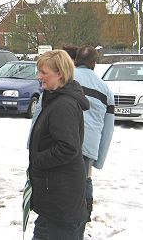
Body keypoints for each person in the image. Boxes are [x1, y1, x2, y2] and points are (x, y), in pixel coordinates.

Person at [28, 50, 89, 240]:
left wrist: (37, 160)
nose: (39, 77)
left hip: (62, 200)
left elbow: (68, 148)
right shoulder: (54, 98)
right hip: (53, 197)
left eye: (43, 72)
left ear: (59, 73)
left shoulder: (64, 105)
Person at [74, 45, 115, 222]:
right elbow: (109, 128)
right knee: (85, 177)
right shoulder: (105, 89)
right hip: (89, 143)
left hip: (61, 138)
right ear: (94, 63)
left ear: (76, 60)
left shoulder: (64, 79)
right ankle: (85, 211)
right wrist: (99, 158)